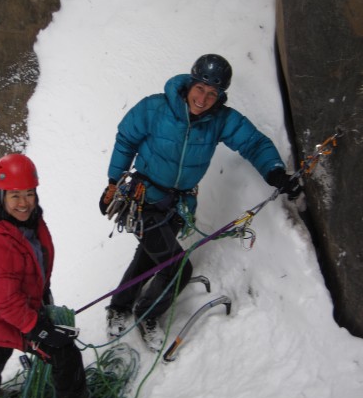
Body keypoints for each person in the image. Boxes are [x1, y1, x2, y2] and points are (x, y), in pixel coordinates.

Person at [99, 54, 301, 352]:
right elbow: (126, 138)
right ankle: (146, 313)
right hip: (143, 200)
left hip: (178, 205)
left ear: (219, 96)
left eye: (212, 93)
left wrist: (274, 172)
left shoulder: (219, 120)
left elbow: (253, 142)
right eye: (200, 89)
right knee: (177, 268)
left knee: (147, 256)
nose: (203, 98)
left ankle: (120, 306)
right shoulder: (157, 107)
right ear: (190, 83)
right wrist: (113, 183)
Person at [0, 153, 112, 398]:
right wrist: (40, 329)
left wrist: (43, 296)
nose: (23, 202)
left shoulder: (27, 220)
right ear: (1, 195)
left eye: (29, 194)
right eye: (15, 195)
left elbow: (32, 262)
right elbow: (6, 303)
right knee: (64, 353)